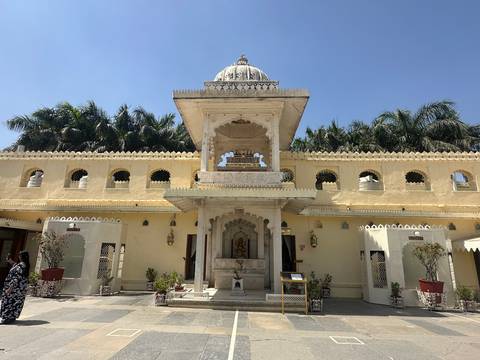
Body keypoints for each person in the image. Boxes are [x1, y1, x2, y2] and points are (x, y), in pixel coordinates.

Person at [0, 251, 30, 324]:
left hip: (15, 289)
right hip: (19, 290)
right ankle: (11, 317)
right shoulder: (24, 265)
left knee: (9, 302)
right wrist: (10, 261)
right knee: (16, 303)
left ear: (21, 257)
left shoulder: (21, 266)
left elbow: (16, 278)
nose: (18, 257)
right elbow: (16, 266)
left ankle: (7, 318)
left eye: (19, 255)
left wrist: (10, 288)